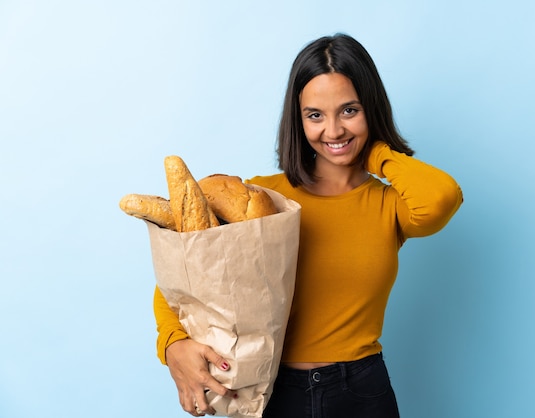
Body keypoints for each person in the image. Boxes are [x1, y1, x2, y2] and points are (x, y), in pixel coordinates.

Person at [153, 33, 463, 417]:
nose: (333, 131)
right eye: (315, 115)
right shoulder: (263, 200)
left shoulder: (389, 206)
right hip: (270, 392)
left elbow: (442, 197)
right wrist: (172, 344)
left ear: (372, 109)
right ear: (298, 121)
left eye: (350, 110)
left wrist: (377, 150)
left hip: (362, 393)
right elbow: (184, 276)